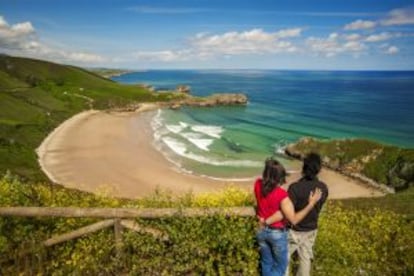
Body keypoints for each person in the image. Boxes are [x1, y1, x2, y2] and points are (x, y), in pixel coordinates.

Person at [255, 158, 322, 276]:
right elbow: (293, 219)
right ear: (279, 178)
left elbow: (262, 203)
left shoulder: (258, 184)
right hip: (276, 233)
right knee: (280, 268)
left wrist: (265, 219)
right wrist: (311, 204)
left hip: (260, 230)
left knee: (266, 263)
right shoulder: (282, 195)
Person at [285, 153, 329, 276]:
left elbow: (289, 212)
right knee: (305, 259)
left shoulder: (295, 188)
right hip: (311, 229)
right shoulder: (323, 188)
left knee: (285, 258)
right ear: (319, 169)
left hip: (294, 230)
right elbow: (319, 207)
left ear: (304, 167)